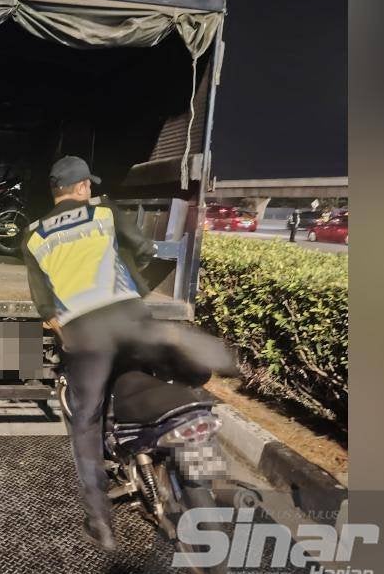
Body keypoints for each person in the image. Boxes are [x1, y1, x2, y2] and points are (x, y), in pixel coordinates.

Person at [22, 156, 238, 551]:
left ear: (55, 192)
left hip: (85, 334)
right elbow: (143, 249)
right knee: (170, 373)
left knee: (85, 421)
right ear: (84, 187)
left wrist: (63, 330)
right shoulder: (105, 213)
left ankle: (100, 522)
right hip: (131, 319)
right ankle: (195, 427)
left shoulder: (34, 235)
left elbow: (44, 305)